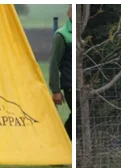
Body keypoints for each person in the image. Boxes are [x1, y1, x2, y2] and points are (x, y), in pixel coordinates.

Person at [49, 5, 73, 139]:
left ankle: (64, 142)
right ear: (68, 13)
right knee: (77, 115)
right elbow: (53, 64)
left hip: (82, 86)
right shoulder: (61, 35)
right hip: (69, 85)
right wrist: (56, 90)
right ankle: (63, 140)